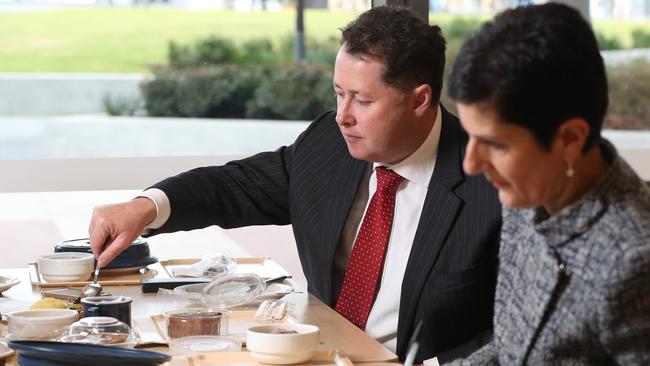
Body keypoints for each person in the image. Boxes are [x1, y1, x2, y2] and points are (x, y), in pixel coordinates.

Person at [89, 6, 501, 363]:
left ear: (419, 100)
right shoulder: (330, 143)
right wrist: (146, 206)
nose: (343, 116)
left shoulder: (493, 185)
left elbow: (517, 330)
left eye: (362, 100)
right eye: (338, 94)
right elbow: (238, 185)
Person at [446, 3, 650, 364]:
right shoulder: (528, 198)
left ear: (570, 138)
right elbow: (512, 348)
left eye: (494, 143)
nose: (471, 163)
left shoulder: (634, 261)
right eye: (469, 136)